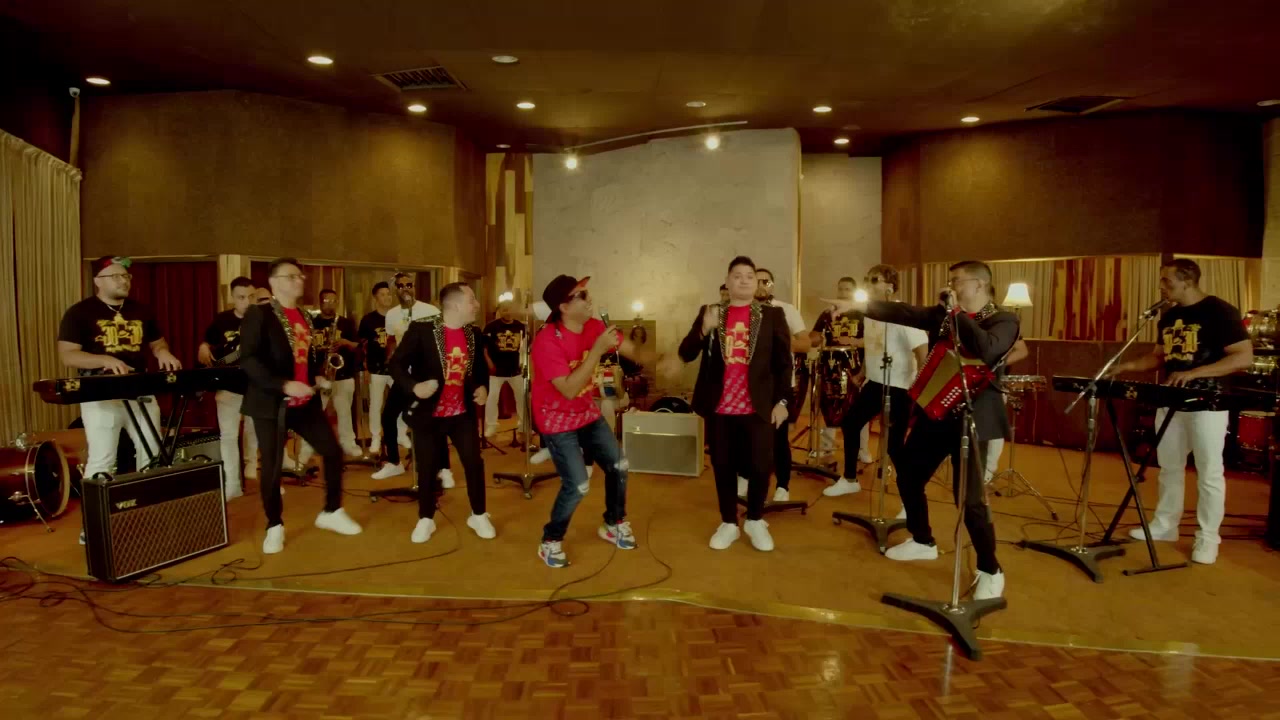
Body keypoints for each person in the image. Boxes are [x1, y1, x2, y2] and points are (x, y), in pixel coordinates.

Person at [827, 260, 1018, 600]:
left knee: (969, 499)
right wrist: (859, 307)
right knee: (909, 474)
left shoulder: (1004, 320)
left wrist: (955, 313)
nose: (951, 286)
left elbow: (987, 349)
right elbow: (907, 313)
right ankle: (922, 539)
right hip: (938, 412)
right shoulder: (946, 315)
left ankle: (990, 568)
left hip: (972, 419)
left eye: (957, 281)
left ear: (978, 284)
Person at [1109, 258, 1251, 565]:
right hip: (1171, 401)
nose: (1161, 286)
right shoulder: (1169, 317)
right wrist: (1127, 366)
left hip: (1208, 404)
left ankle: (1208, 537)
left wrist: (1195, 373)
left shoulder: (1220, 311)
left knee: (1209, 472)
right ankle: (1165, 525)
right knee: (1169, 467)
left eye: (1167, 280)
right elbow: (1160, 357)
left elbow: (1243, 357)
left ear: (1187, 281)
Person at [239, 257, 363, 554]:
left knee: (332, 451)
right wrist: (283, 384)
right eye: (292, 276)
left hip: (305, 402)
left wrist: (315, 375)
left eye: (300, 276)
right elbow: (249, 360)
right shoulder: (259, 314)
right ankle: (274, 525)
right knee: (271, 467)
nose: (299, 281)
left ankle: (331, 511)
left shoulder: (306, 316)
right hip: (270, 402)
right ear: (274, 282)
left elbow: (304, 355)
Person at [58, 256, 182, 543]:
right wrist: (104, 359)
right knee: (103, 457)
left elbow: (157, 343)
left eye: (126, 277)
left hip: (139, 391)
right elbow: (68, 355)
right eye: (116, 276)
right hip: (100, 394)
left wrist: (162, 352)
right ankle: (93, 525)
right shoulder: (79, 312)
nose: (123, 281)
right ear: (98, 281)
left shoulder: (141, 310)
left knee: (152, 453)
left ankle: (149, 516)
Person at [532, 275, 653, 567]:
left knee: (619, 465)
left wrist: (662, 360)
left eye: (587, 293)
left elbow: (632, 350)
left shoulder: (595, 326)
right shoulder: (547, 341)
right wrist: (598, 349)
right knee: (578, 485)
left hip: (585, 411)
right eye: (582, 295)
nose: (590, 299)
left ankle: (613, 522)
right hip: (556, 418)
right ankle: (550, 540)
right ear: (563, 307)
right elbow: (568, 389)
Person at [675, 256, 792, 551]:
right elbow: (686, 353)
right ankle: (728, 522)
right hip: (721, 406)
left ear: (756, 283)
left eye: (749, 276)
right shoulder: (711, 312)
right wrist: (703, 329)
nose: (743, 280)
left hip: (759, 405)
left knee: (761, 464)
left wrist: (782, 401)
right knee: (723, 465)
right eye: (737, 276)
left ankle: (755, 519)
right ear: (727, 282)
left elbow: (783, 364)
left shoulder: (772, 315)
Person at [390, 282, 494, 543]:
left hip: (461, 413)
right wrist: (414, 386)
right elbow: (396, 365)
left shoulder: (473, 333)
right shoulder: (423, 329)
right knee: (427, 467)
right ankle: (426, 518)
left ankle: (478, 514)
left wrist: (483, 387)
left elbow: (479, 369)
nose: (477, 305)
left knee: (473, 462)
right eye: (472, 300)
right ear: (456, 305)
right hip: (429, 413)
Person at [823, 265, 928, 498]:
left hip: (900, 386)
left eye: (874, 280)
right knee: (851, 424)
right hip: (875, 382)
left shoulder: (903, 314)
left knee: (894, 445)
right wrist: (862, 373)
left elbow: (922, 351)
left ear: (890, 287)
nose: (868, 284)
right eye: (866, 279)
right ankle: (850, 479)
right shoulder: (871, 314)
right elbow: (874, 346)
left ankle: (910, 498)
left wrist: (919, 385)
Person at [371, 273, 449, 484]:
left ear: (414, 287)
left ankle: (443, 467)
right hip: (405, 375)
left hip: (427, 374)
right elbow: (391, 340)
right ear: (396, 289)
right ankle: (394, 463)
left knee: (434, 420)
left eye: (409, 284)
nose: (405, 288)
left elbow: (442, 340)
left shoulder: (430, 311)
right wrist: (391, 358)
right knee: (388, 416)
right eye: (400, 285)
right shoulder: (392, 314)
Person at [744, 267, 811, 502]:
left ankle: (783, 485)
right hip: (749, 384)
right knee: (747, 436)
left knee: (778, 438)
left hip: (778, 385)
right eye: (757, 281)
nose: (762, 285)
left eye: (767, 281)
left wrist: (777, 339)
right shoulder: (741, 310)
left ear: (772, 285)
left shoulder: (786, 309)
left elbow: (805, 344)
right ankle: (746, 478)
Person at [197, 275, 257, 499]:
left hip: (256, 387)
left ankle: (253, 469)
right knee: (229, 436)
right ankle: (232, 483)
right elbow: (208, 341)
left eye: (251, 296)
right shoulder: (221, 320)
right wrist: (204, 346)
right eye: (241, 297)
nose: (247, 301)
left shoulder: (264, 320)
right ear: (232, 297)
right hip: (228, 387)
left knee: (255, 432)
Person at [297, 289, 362, 461]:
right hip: (320, 376)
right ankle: (308, 447)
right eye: (327, 301)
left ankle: (348, 444)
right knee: (315, 414)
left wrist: (345, 342)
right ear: (320, 302)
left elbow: (358, 345)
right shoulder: (311, 323)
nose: (331, 304)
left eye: (334, 301)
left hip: (343, 374)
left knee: (344, 413)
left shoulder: (345, 323)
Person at [813, 276, 872, 463]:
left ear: (854, 291)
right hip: (831, 367)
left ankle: (862, 449)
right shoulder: (827, 313)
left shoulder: (863, 314)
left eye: (848, 289)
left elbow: (873, 339)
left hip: (856, 367)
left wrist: (853, 341)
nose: (843, 292)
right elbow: (815, 335)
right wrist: (812, 339)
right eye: (841, 288)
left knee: (859, 409)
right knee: (829, 406)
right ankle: (826, 449)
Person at [358, 281, 400, 457]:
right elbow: (362, 344)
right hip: (376, 368)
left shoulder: (398, 316)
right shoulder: (368, 320)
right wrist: (365, 367)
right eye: (382, 294)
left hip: (396, 368)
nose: (387, 297)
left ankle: (400, 433)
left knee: (400, 401)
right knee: (375, 404)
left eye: (388, 294)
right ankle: (375, 436)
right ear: (375, 298)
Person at [482, 299, 526, 437]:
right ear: (500, 311)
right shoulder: (491, 327)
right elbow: (484, 348)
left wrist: (523, 363)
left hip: (515, 369)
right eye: (504, 309)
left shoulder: (521, 326)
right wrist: (489, 362)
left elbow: (525, 347)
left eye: (510, 308)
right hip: (496, 370)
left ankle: (523, 424)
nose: (508, 312)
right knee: (492, 398)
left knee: (521, 397)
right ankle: (492, 425)